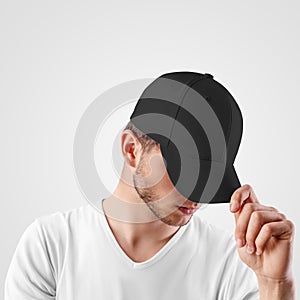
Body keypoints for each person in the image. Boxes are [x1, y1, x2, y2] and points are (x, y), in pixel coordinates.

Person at [5, 72, 295, 299]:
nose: (197, 198)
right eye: (187, 172)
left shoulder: (234, 262)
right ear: (132, 150)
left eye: (210, 179)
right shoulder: (51, 245)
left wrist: (275, 285)